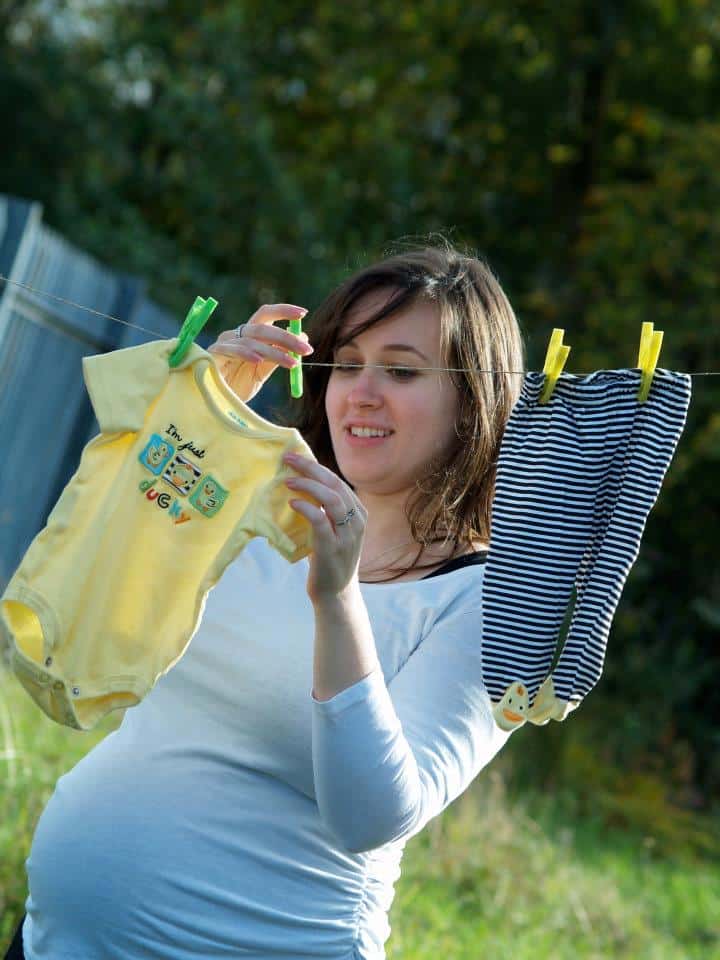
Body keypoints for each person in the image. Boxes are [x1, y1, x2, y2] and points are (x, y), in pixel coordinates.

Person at [5, 238, 526, 960]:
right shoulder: (258, 501)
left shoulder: (486, 602)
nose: (361, 392)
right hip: (54, 942)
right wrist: (199, 419)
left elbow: (372, 814)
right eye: (346, 363)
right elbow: (101, 578)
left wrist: (337, 598)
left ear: (473, 402)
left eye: (401, 371)